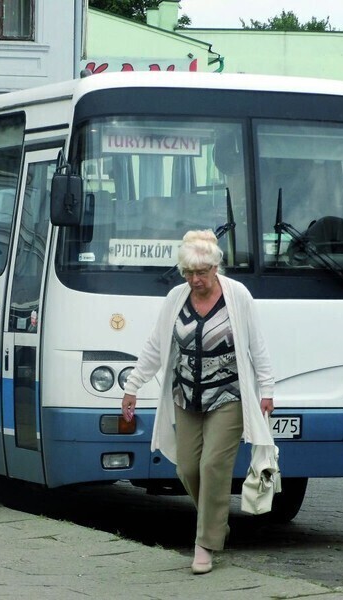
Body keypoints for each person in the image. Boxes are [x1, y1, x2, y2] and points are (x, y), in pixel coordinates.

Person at [121, 229, 276, 575]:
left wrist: (266, 390)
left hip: (228, 396)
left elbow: (257, 346)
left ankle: (204, 543)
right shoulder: (177, 298)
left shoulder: (238, 296)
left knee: (212, 467)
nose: (195, 280)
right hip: (185, 394)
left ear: (215, 268)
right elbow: (156, 346)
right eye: (189, 273)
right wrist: (132, 386)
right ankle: (216, 521)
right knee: (187, 467)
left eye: (201, 274)